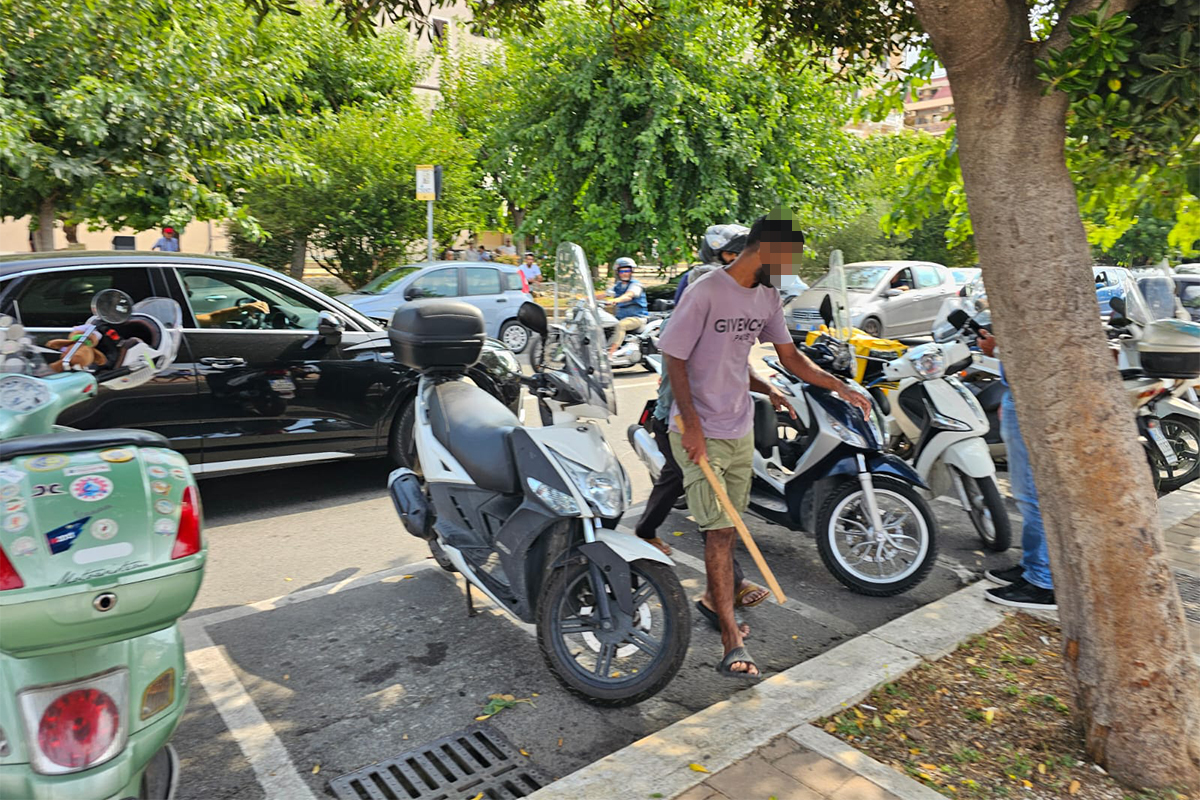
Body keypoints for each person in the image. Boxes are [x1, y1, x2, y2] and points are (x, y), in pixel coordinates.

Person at [659, 212, 872, 678]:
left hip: (738, 426)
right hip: (699, 431)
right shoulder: (705, 292)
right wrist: (691, 426)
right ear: (760, 250)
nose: (789, 267)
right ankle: (732, 641)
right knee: (718, 530)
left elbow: (790, 356)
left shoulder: (768, 296)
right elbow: (674, 357)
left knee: (729, 528)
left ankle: (715, 601)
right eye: (785, 258)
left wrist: (839, 387)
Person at [977, 328, 1057, 609]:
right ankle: (1032, 567)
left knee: (1032, 495)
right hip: (1019, 392)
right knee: (1027, 495)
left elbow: (1038, 350)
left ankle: (1043, 583)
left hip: (1032, 397)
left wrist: (997, 349)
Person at [673, 224, 749, 304]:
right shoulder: (694, 277)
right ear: (714, 254)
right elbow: (680, 310)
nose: (735, 258)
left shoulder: (749, 278)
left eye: (739, 254)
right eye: (729, 254)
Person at [607, 257, 648, 354]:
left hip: (637, 318)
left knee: (621, 325)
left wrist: (615, 300)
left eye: (627, 270)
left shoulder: (636, 285)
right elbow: (605, 294)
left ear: (631, 271)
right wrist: (586, 298)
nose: (625, 273)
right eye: (622, 271)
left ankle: (610, 354)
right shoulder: (618, 286)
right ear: (618, 272)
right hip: (621, 317)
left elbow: (629, 295)